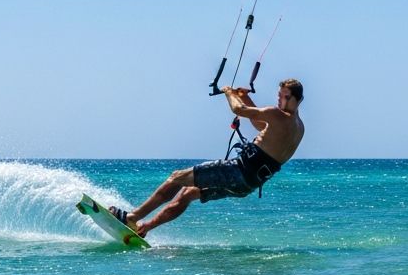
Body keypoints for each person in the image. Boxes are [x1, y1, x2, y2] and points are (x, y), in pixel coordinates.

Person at [110, 78, 304, 237]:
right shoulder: (298, 128)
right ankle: (145, 228)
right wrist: (245, 97)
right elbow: (260, 124)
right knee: (188, 193)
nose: (281, 100)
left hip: (237, 171)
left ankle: (132, 218)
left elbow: (239, 111)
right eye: (279, 96)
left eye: (286, 97)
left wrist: (229, 92)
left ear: (298, 99)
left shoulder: (276, 115)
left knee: (176, 177)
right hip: (247, 186)